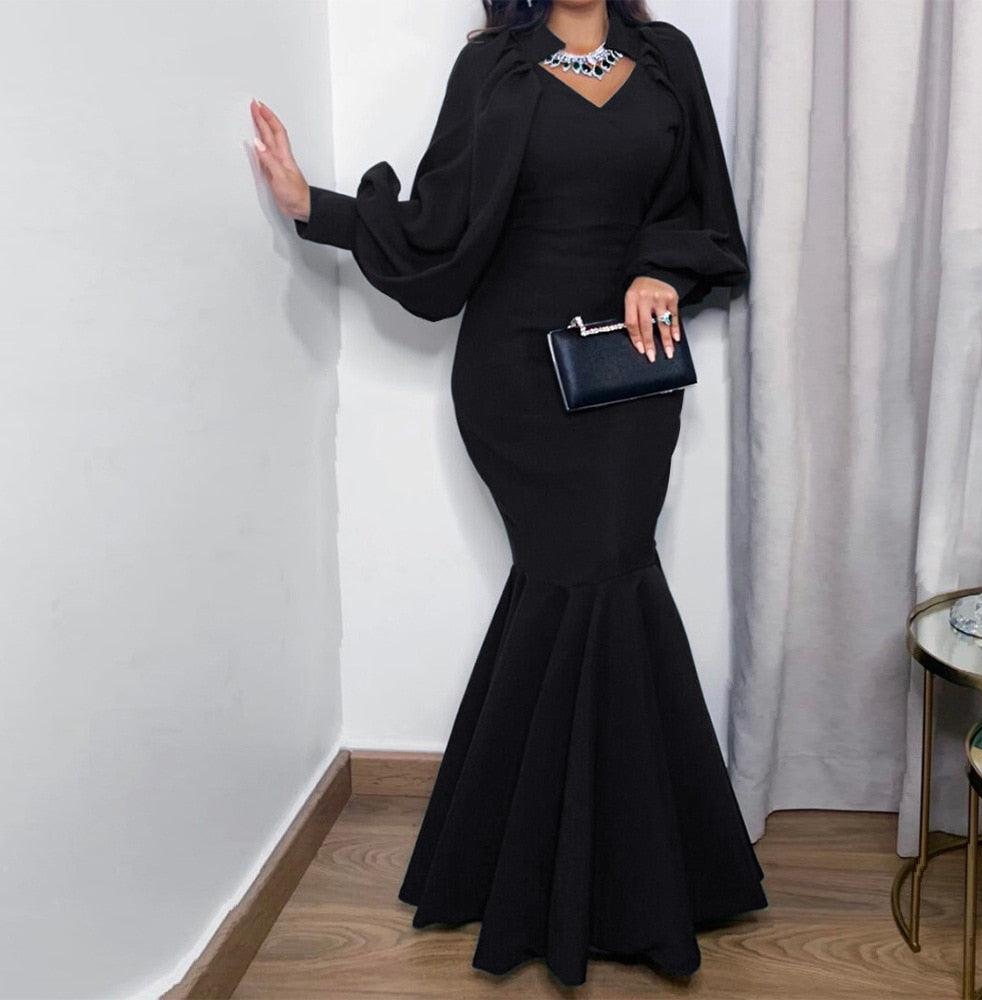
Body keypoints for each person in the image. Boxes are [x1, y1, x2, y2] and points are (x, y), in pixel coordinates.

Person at [251, 0, 766, 987]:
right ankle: (626, 882)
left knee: (603, 582)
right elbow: (436, 226)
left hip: (627, 372)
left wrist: (660, 270)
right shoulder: (491, 67)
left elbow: (702, 208)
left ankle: (525, 866)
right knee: (587, 584)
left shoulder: (668, 59)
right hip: (516, 378)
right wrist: (316, 206)